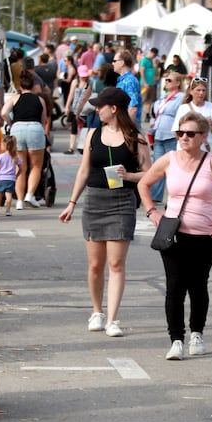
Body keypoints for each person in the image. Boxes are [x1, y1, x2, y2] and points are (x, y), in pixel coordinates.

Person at [138, 112, 212, 360]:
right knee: (174, 287)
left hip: (205, 237)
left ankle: (197, 332)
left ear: (203, 136)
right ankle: (176, 339)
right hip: (173, 235)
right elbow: (144, 183)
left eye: (190, 134)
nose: (184, 137)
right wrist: (152, 211)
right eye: (180, 133)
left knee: (198, 286)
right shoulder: (169, 159)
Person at [58, 88, 151, 338]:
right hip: (95, 201)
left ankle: (112, 319)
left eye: (100, 106)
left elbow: (150, 173)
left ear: (114, 108)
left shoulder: (136, 137)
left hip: (122, 202)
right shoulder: (92, 134)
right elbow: (83, 171)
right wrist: (71, 202)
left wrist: (129, 176)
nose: (96, 110)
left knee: (116, 263)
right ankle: (97, 311)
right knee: (96, 264)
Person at [1, 72, 49, 209]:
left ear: (20, 86)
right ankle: (30, 194)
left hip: (18, 128)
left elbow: (4, 112)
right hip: (35, 128)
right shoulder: (40, 100)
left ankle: (20, 201)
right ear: (33, 86)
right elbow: (44, 119)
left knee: (21, 166)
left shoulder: (15, 98)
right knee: (36, 166)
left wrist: (11, 123)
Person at [149, 73, 184, 203]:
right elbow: (155, 112)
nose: (167, 82)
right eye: (166, 80)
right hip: (158, 134)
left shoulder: (181, 98)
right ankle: (155, 196)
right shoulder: (163, 97)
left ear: (178, 83)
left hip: (171, 135)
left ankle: (175, 196)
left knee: (173, 167)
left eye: (170, 80)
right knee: (158, 166)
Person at [172, 77, 212, 153]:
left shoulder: (211, 107)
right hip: (187, 152)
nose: (201, 93)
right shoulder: (184, 108)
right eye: (198, 90)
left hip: (207, 151)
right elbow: (176, 132)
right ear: (191, 91)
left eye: (203, 90)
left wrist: (211, 125)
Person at [63, 64, 93, 154]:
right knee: (73, 127)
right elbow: (71, 95)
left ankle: (82, 146)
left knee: (83, 128)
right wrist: (67, 106)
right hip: (74, 108)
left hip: (84, 110)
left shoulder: (89, 84)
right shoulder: (75, 82)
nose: (83, 78)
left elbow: (86, 98)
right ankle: (71, 147)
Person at [0, 134, 22, 216]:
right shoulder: (15, 157)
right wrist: (17, 175)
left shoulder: (0, 157)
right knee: (8, 195)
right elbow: (21, 167)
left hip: (1, 178)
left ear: (4, 145)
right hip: (11, 179)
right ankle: (8, 210)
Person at [113, 50, 142, 124]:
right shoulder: (123, 80)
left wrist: (127, 128)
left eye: (114, 61)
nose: (113, 63)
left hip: (126, 127)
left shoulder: (129, 81)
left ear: (122, 62)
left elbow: (133, 108)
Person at [140, 47, 158, 122]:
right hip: (145, 84)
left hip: (151, 83)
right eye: (154, 55)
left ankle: (147, 114)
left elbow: (154, 72)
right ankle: (141, 112)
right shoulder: (144, 60)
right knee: (144, 99)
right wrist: (145, 82)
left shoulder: (151, 61)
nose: (154, 57)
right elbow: (142, 71)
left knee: (150, 100)